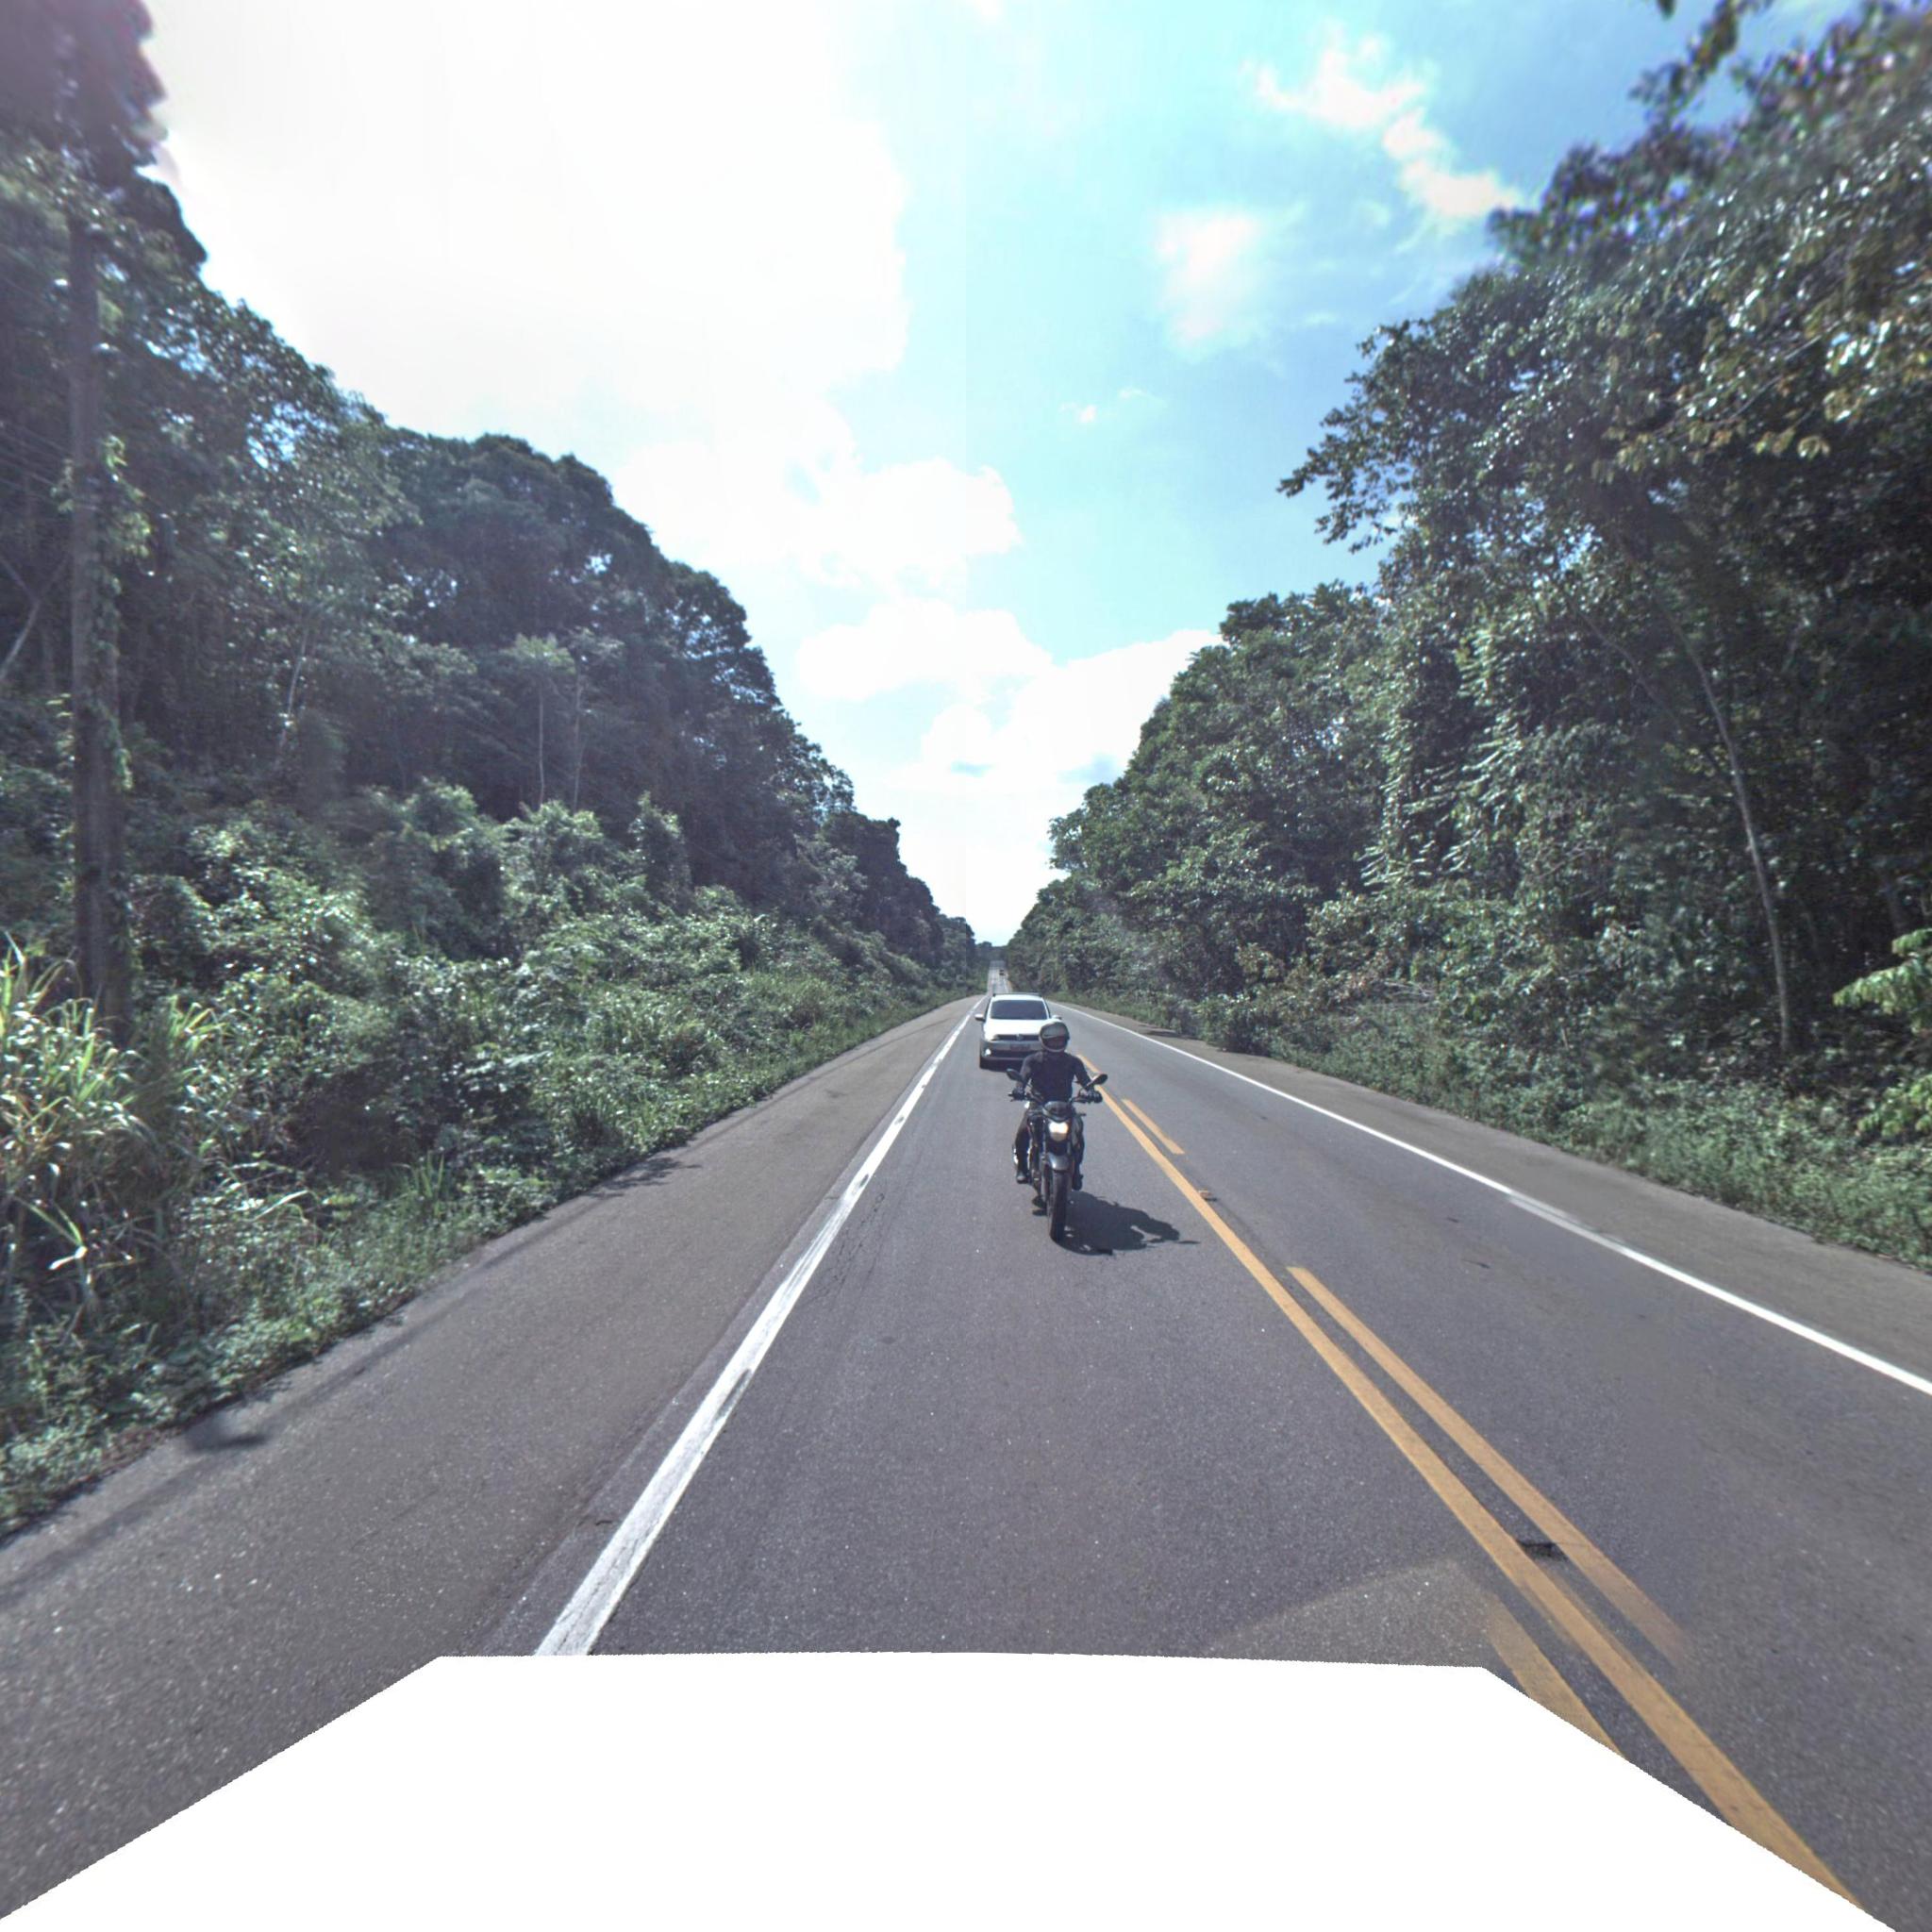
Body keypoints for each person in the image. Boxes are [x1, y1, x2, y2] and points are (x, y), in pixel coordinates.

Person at [1011, 1020, 1102, 1188]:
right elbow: (1023, 1077)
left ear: (1065, 1041)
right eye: (1053, 1040)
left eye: (1059, 1040)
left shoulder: (1073, 1062)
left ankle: (1076, 1170)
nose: (1056, 1043)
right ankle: (1022, 1168)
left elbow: (1085, 1080)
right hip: (1038, 1105)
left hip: (1064, 1106)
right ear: (1044, 1040)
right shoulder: (1033, 1060)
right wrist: (1019, 1089)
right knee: (1023, 1133)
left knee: (1078, 1134)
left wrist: (1092, 1091)